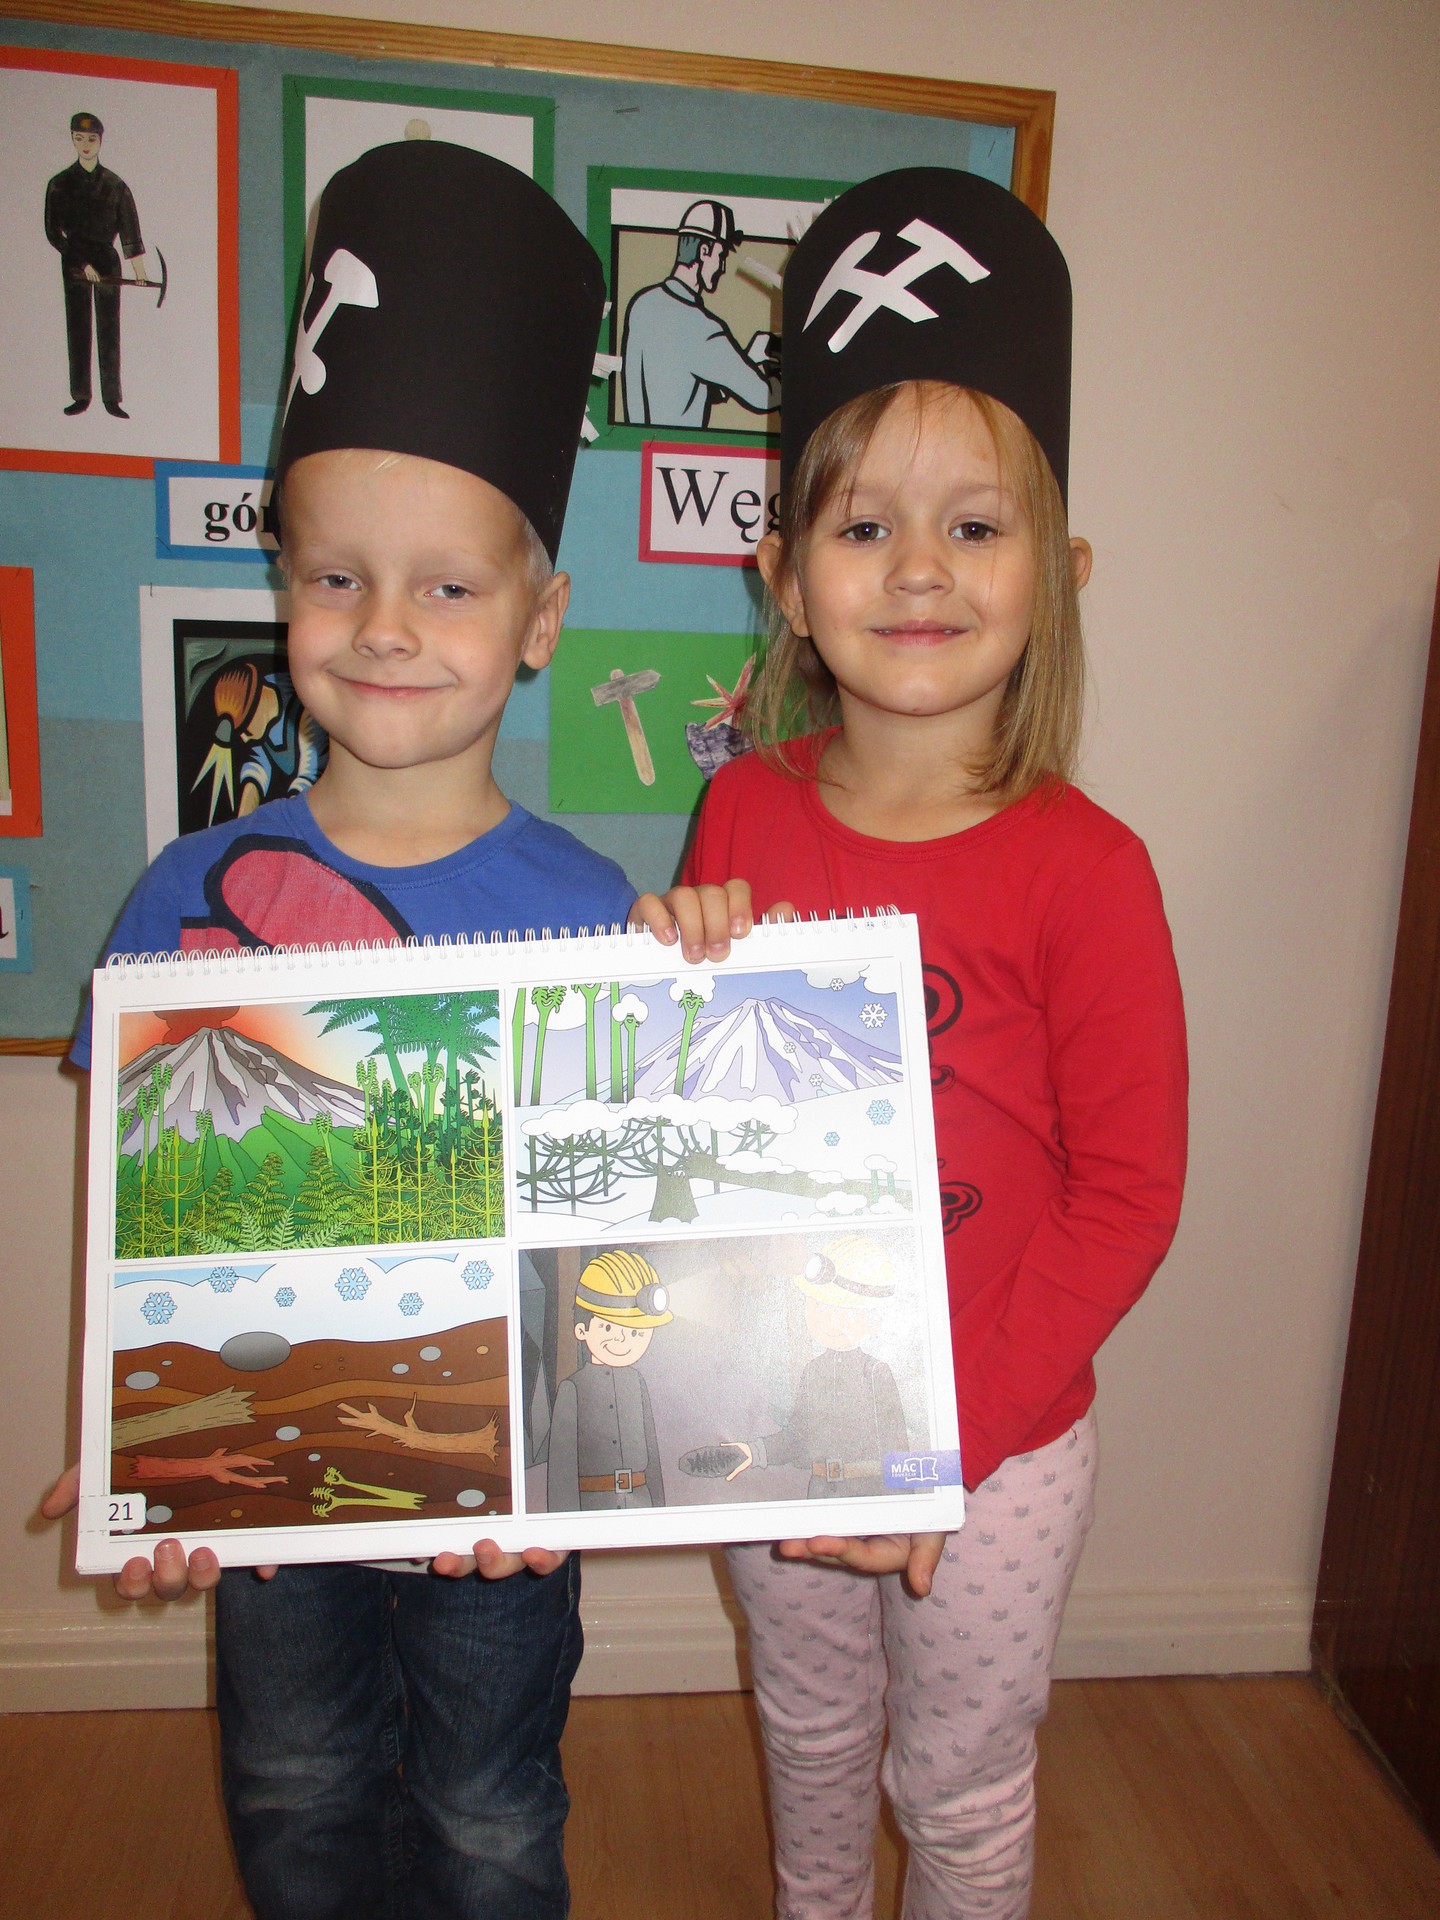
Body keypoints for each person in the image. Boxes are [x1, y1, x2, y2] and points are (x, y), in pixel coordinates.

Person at [45, 140, 629, 1920]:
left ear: (540, 621)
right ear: (280, 587)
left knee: (490, 1814)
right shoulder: (186, 894)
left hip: (499, 1515)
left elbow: (620, 1220)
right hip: (270, 1479)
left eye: (449, 586)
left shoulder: (592, 906)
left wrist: (585, 1461)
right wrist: (135, 1439)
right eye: (335, 579)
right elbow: (144, 1215)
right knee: (293, 1787)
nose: (385, 630)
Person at [632, 167, 1188, 1919]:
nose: (921, 570)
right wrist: (672, 965)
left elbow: (1129, 1194)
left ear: (1060, 575)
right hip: (780, 1409)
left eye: (976, 526)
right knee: (805, 1728)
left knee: (960, 1781)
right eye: (864, 527)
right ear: (786, 579)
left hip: (999, 1444)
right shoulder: (742, 807)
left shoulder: (1089, 870)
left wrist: (954, 1441)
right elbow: (698, 1128)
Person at [726, 1237, 909, 1502]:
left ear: (873, 1320)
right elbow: (799, 1438)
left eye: (846, 1311)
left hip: (870, 1494)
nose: (829, 1320)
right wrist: (754, 1452)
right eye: (820, 1305)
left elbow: (898, 1452)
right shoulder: (812, 1371)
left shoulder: (876, 1372)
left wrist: (904, 1507)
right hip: (821, 1493)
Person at [620, 198, 780, 430]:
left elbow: (681, 386)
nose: (722, 267)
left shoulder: (642, 304)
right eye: (721, 255)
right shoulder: (702, 327)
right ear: (704, 251)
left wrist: (746, 358)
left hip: (641, 448)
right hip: (679, 450)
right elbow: (763, 396)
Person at [546, 1249, 672, 1511]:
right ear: (581, 1329)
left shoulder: (637, 1382)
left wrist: (659, 1510)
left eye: (636, 1332)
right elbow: (561, 1469)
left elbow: (652, 1456)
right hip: (593, 1505)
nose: (622, 1339)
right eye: (607, 1327)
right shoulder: (572, 1388)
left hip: (641, 1502)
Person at [44, 110, 149, 418]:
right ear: (72, 140)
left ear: (100, 140)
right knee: (77, 326)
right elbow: (53, 233)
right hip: (74, 261)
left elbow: (130, 231)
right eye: (79, 139)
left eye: (91, 139)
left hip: (107, 260)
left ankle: (111, 398)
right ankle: (81, 395)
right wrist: (81, 263)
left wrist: (139, 272)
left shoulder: (116, 185)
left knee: (109, 328)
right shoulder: (59, 183)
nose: (85, 145)